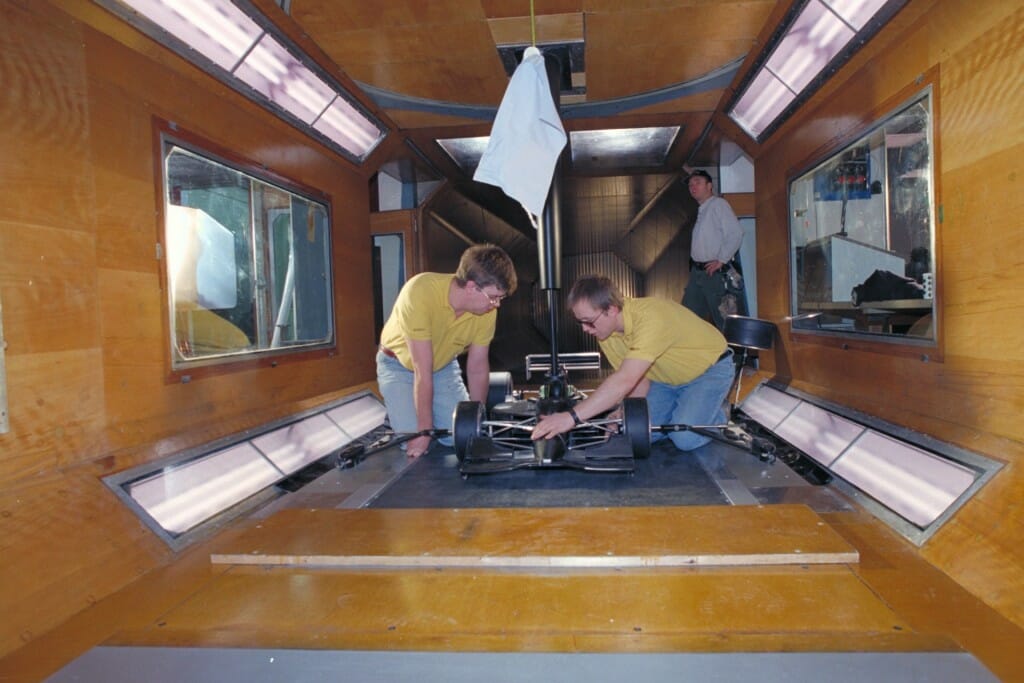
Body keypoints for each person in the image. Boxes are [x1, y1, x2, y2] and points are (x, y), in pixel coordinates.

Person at [531, 275, 735, 451]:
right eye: (580, 322)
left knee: (685, 438)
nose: (585, 329)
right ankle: (686, 410)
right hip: (666, 380)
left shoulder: (651, 318)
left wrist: (570, 417)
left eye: (588, 321)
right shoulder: (606, 334)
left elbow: (624, 380)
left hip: (708, 371)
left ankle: (718, 414)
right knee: (638, 432)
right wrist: (622, 412)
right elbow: (638, 380)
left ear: (611, 309)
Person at [377, 244, 517, 457]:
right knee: (413, 442)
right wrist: (424, 431)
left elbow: (478, 367)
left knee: (462, 437)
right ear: (472, 287)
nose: (496, 304)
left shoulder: (486, 311)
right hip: (399, 366)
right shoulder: (420, 292)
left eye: (500, 298)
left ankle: (427, 412)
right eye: (493, 297)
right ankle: (399, 410)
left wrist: (475, 421)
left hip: (442, 367)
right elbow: (421, 371)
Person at [682, 169, 747, 330]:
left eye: (697, 182)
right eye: (690, 184)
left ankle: (734, 354)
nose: (692, 186)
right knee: (686, 317)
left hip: (713, 273)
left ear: (709, 186)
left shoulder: (718, 204)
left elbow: (735, 233)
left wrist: (721, 260)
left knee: (725, 320)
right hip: (698, 273)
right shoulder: (703, 209)